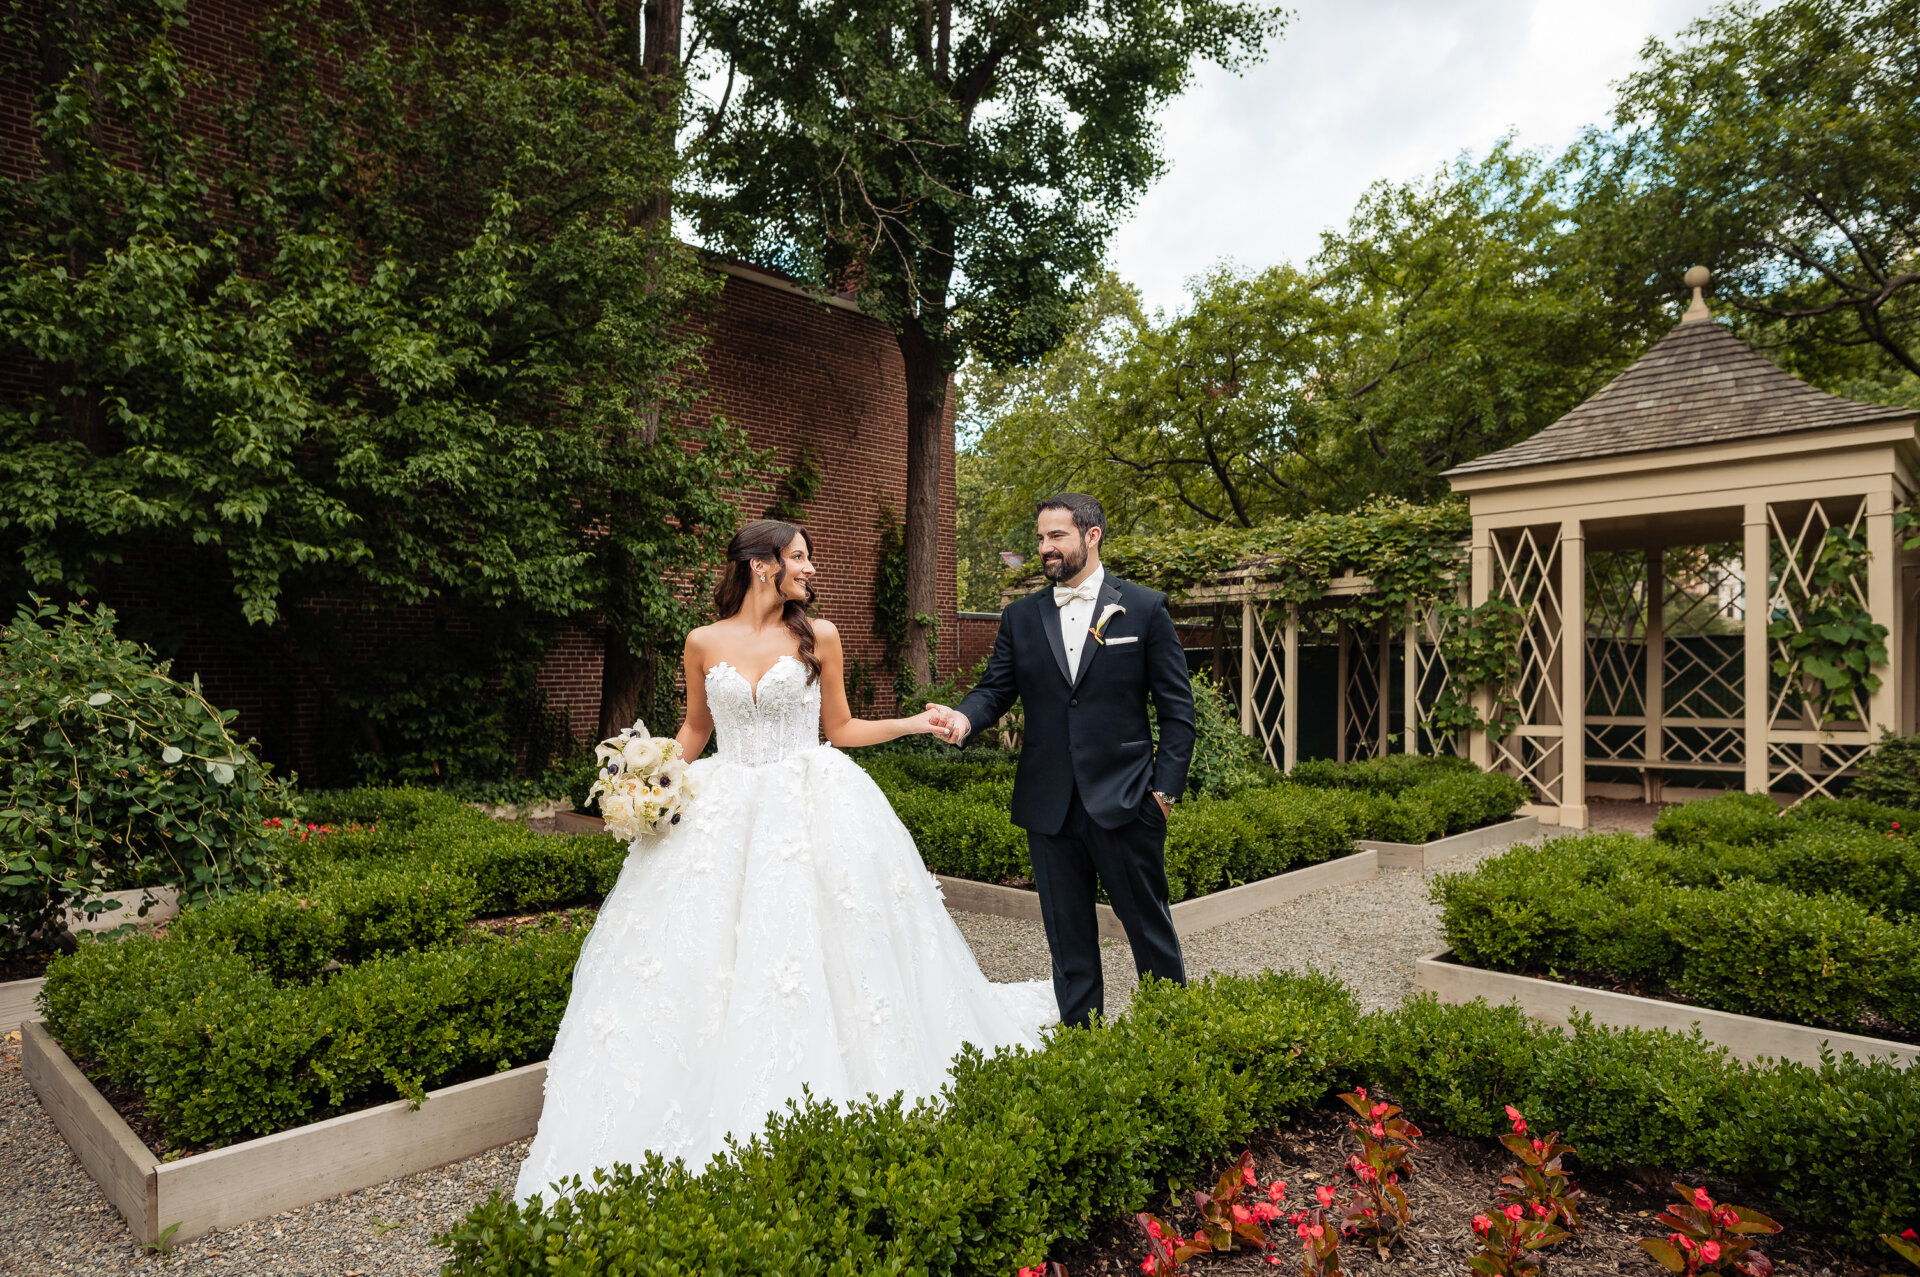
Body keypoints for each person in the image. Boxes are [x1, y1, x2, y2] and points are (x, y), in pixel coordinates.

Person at [514, 519, 1054, 1203]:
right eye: (801, 555)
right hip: (724, 804)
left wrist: (916, 722)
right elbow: (695, 730)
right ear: (762, 564)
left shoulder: (818, 635)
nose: (812, 565)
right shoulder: (702, 641)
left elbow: (842, 729)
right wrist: (646, 777)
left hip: (813, 803)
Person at [931, 493, 1195, 1028]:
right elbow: (995, 689)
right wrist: (963, 718)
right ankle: (1081, 1049)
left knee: (1149, 928)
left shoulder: (1144, 608)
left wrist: (1162, 794)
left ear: (1091, 536)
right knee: (1067, 939)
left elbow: (1178, 712)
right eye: (1040, 538)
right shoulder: (1021, 617)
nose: (1045, 548)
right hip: (1048, 805)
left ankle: (1173, 1040)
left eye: (1056, 537)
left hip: (1127, 801)